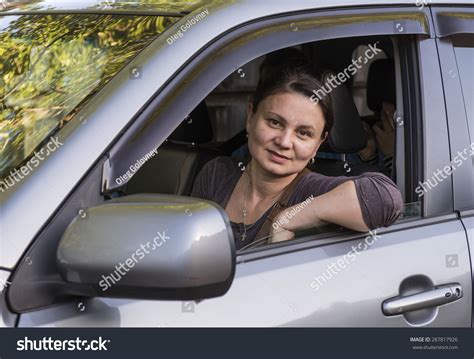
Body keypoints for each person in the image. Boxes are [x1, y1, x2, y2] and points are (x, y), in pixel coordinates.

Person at [191, 63, 403, 250]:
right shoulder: (216, 173)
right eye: (274, 122)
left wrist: (287, 219)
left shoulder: (311, 190)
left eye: (303, 133)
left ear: (318, 144)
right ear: (250, 117)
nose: (284, 142)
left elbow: (385, 199)